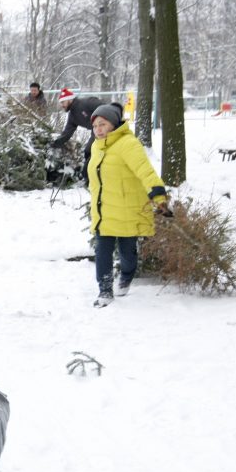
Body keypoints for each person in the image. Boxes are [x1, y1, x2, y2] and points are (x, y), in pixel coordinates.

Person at [87, 102, 169, 308]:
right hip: (104, 210)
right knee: (102, 251)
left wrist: (159, 196)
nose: (98, 129)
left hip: (127, 208)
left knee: (127, 251)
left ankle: (126, 276)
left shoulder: (128, 144)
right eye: (95, 125)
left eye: (103, 124)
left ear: (114, 125)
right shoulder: (97, 146)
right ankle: (105, 290)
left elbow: (145, 171)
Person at [50, 87, 103, 181]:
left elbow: (105, 107)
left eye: (63, 102)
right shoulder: (72, 116)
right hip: (96, 132)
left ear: (69, 99)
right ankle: (91, 177)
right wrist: (55, 143)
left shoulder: (86, 103)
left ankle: (95, 176)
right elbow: (67, 132)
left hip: (107, 129)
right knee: (88, 151)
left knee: (92, 151)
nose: (62, 105)